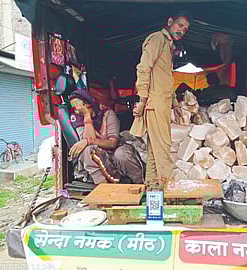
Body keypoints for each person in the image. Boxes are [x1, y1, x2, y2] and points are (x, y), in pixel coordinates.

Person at [132, 11, 190, 183]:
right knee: (164, 149)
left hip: (162, 105)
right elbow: (143, 68)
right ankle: (168, 190)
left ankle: (152, 190)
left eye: (185, 29)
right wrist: (142, 99)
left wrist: (176, 105)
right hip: (155, 103)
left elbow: (166, 79)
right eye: (180, 25)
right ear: (170, 22)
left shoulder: (169, 46)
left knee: (154, 151)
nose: (182, 31)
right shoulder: (157, 39)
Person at [68, 89, 144, 184]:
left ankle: (140, 184)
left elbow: (112, 143)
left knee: (121, 154)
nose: (77, 109)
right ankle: (104, 188)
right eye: (74, 106)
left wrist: (88, 141)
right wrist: (87, 116)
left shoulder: (107, 114)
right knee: (88, 151)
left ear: (89, 102)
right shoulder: (78, 118)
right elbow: (87, 140)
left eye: (79, 104)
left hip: (115, 153)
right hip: (102, 158)